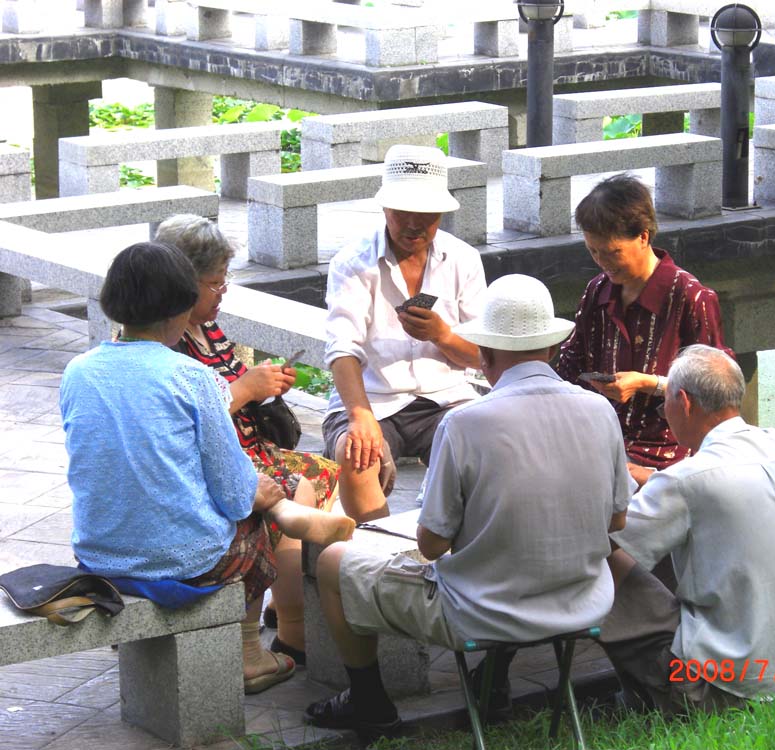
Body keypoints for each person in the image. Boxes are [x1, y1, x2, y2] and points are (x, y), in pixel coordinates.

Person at [304, 275, 633, 742]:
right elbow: (617, 520)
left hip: (483, 612)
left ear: (485, 354)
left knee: (334, 560)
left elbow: (432, 544)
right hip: (583, 602)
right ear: (552, 349)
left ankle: (369, 702)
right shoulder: (600, 411)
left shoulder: (464, 423)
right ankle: (492, 679)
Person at [60, 242, 355, 695]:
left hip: (98, 553)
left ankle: (291, 512)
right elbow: (233, 493)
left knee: (250, 490)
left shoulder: (78, 371)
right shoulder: (191, 377)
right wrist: (258, 492)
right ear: (181, 308)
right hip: (186, 560)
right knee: (253, 508)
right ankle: (251, 655)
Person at [600, 345, 775, 717]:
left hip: (727, 683)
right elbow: (708, 488)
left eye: (665, 406)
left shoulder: (684, 481)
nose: (666, 414)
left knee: (598, 558)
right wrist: (650, 478)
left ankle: (651, 695)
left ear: (684, 403)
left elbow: (608, 536)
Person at [155, 214, 343, 665]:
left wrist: (265, 383)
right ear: (181, 282)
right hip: (218, 462)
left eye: (225, 282)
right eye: (214, 284)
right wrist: (247, 389)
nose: (223, 293)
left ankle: (289, 606)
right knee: (293, 490)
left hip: (248, 448)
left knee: (326, 472)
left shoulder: (207, 327)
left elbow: (230, 385)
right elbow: (181, 419)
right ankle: (283, 631)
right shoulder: (164, 340)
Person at [322, 144, 486, 523]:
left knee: (489, 445)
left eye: (426, 214)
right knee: (355, 452)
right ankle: (379, 550)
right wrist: (360, 416)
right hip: (373, 399)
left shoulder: (464, 259)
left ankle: (456, 546)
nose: (414, 224)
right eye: (403, 212)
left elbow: (483, 356)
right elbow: (342, 347)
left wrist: (443, 336)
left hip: (446, 398)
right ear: (385, 208)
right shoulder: (352, 263)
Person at [556, 173, 731, 487]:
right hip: (600, 441)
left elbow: (719, 393)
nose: (603, 263)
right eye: (594, 252)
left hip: (668, 454)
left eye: (612, 253)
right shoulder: (597, 291)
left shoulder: (691, 297)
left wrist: (647, 384)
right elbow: (570, 365)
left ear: (644, 237)